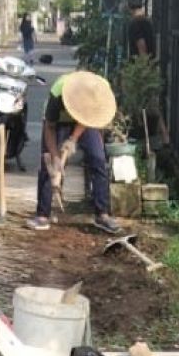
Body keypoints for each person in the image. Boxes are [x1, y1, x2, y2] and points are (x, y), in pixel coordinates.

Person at [28, 69, 122, 236]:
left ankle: (102, 214)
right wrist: (56, 157)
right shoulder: (58, 93)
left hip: (84, 122)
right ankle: (43, 214)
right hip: (57, 124)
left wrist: (72, 140)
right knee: (48, 164)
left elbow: (85, 119)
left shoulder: (98, 90)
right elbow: (49, 128)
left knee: (98, 159)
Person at [124, 0, 169, 148]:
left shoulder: (135, 24)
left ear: (129, 4)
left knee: (144, 102)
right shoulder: (147, 21)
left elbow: (141, 45)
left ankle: (162, 137)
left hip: (142, 68)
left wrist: (142, 68)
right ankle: (161, 137)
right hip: (150, 64)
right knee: (150, 104)